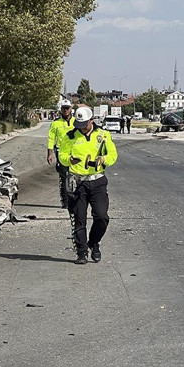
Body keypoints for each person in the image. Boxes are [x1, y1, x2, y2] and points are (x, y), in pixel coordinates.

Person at [59, 106, 118, 265]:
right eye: (79, 124)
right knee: (79, 218)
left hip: (97, 181)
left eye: (84, 124)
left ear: (92, 120)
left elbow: (112, 154)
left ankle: (94, 242)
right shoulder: (70, 136)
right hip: (78, 182)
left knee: (101, 216)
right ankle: (82, 251)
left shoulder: (103, 135)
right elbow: (62, 155)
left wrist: (104, 160)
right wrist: (68, 160)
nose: (82, 128)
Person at [47, 100, 76, 223]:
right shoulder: (56, 123)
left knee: (77, 176)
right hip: (60, 151)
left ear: (71, 109)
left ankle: (76, 200)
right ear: (61, 110)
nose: (66, 110)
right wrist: (49, 153)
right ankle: (65, 201)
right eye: (64, 108)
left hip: (75, 151)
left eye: (67, 108)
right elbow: (51, 138)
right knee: (63, 177)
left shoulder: (76, 121)